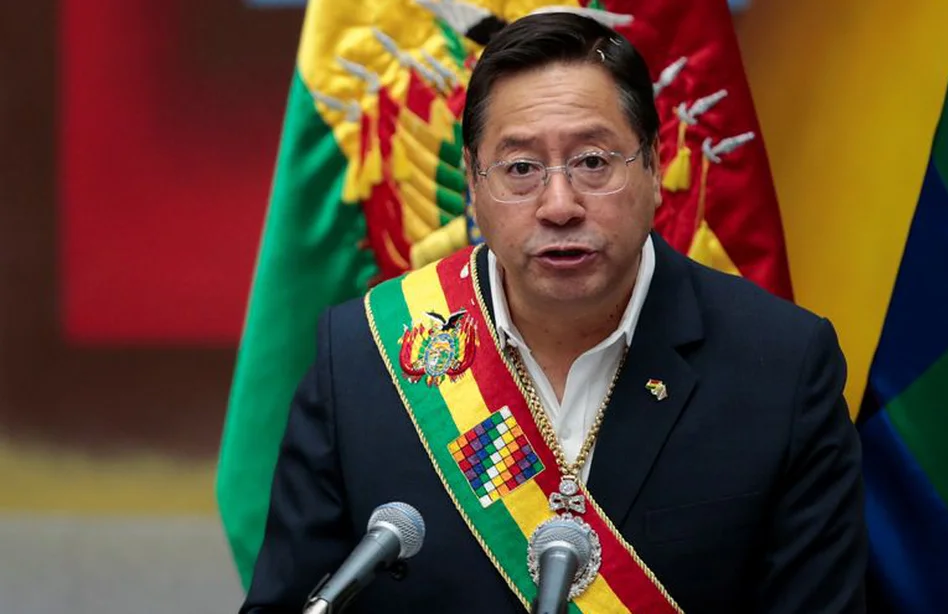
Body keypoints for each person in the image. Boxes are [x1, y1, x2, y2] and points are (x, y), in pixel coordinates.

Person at [240, 12, 867, 614]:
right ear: (473, 183)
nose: (559, 205)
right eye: (520, 168)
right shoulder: (367, 357)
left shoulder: (780, 366)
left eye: (593, 162)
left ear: (654, 166)